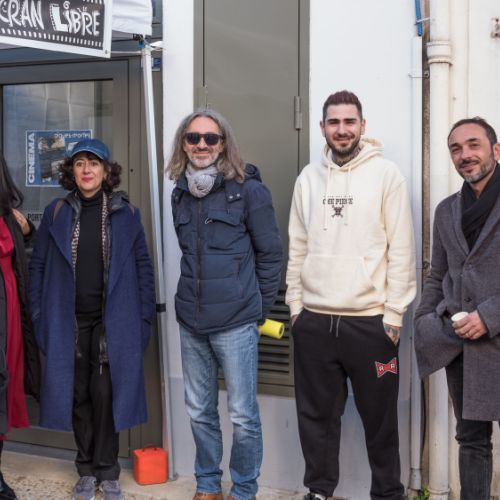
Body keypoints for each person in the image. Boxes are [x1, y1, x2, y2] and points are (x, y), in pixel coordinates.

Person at [286, 90, 416, 500]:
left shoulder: (387, 175)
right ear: (322, 127)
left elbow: (402, 249)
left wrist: (393, 316)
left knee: (380, 421)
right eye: (334, 122)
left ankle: (388, 494)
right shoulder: (309, 179)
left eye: (349, 122)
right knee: (315, 418)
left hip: (370, 324)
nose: (341, 130)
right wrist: (295, 308)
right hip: (315, 322)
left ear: (362, 125)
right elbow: (297, 247)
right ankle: (319, 491)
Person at [29, 139, 155, 500]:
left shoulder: (126, 213)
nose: (87, 170)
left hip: (112, 321)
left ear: (106, 171)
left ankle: (108, 470)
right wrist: (39, 317)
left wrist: (143, 318)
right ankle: (85, 470)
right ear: (72, 171)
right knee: (79, 395)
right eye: (80, 163)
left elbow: (143, 268)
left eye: (94, 163)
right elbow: (38, 267)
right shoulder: (56, 212)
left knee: (105, 395)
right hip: (67, 321)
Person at [166, 109, 282, 500]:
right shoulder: (180, 193)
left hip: (236, 323)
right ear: (183, 144)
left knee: (242, 415)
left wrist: (258, 312)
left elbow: (270, 254)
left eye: (210, 138)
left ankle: (244, 490)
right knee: (199, 410)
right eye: (193, 137)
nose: (201, 144)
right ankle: (208, 485)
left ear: (223, 143)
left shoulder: (249, 191)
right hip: (191, 321)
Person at [415, 117, 500, 499]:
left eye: (473, 145)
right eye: (455, 148)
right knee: (471, 441)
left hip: (496, 336)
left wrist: (489, 316)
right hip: (462, 346)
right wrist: (424, 319)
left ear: (495, 150)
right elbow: (438, 273)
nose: (464, 155)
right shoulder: (446, 210)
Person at [0, 152, 40, 500]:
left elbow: (25, 257)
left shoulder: (8, 215)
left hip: (8, 312)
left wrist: (27, 231)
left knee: (2, 386)